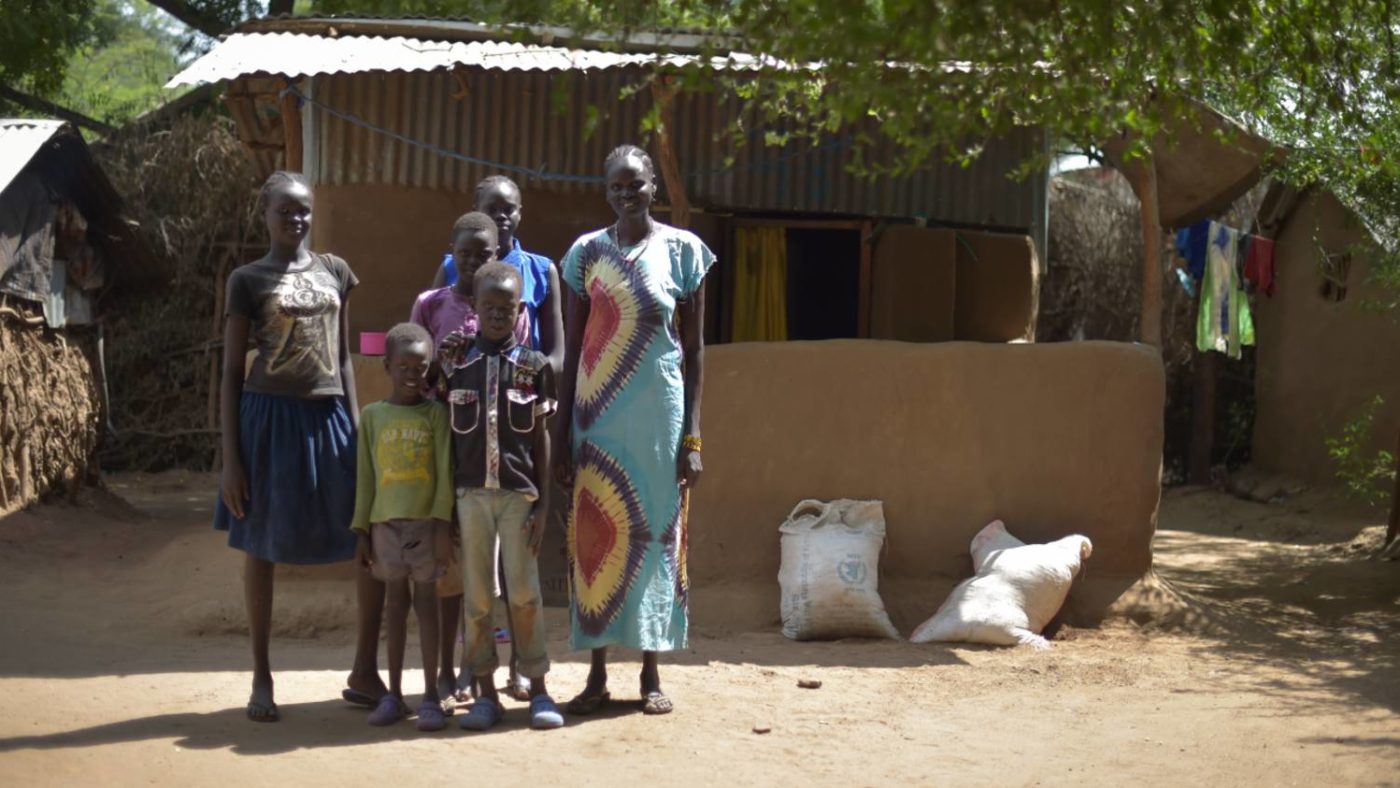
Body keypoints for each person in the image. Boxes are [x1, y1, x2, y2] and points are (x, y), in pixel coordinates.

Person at [554, 145, 712, 716]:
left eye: (636, 184)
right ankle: (596, 674)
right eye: (616, 186)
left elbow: (694, 352)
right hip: (594, 420)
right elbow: (572, 353)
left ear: (654, 187)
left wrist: (692, 438)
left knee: (656, 539)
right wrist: (560, 435)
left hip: (658, 422)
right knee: (596, 535)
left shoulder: (685, 252)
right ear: (606, 192)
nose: (627, 194)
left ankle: (650, 672)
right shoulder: (584, 255)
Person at [215, 171, 362, 722]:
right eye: (285, 211)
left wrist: (353, 430)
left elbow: (344, 358)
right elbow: (231, 372)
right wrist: (232, 460)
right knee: (261, 546)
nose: (296, 219)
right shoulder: (247, 280)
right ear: (265, 214)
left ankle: (366, 667)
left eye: (303, 210)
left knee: (365, 530)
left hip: (327, 416)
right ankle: (261, 674)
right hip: (268, 421)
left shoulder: (335, 272)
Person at [412, 212, 531, 705]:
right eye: (464, 253)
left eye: (483, 254)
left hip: (498, 449)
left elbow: (522, 376)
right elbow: (421, 374)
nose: (473, 260)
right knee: (452, 562)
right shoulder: (431, 303)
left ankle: (491, 668)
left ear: (497, 256)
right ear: (451, 252)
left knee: (497, 570)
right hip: (448, 443)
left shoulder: (512, 308)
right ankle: (449, 671)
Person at [442, 262, 563, 730]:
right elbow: (445, 435)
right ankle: (486, 693)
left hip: (519, 497)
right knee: (476, 599)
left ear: (519, 310)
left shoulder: (533, 367)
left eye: (506, 308)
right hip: (470, 496)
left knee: (525, 595)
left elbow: (542, 437)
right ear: (473, 307)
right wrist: (444, 504)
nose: (497, 315)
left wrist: (545, 504)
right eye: (488, 306)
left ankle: (538, 689)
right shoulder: (456, 363)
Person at [351, 322, 455, 731]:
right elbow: (365, 479)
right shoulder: (372, 417)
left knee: (426, 605)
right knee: (394, 609)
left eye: (421, 367)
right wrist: (361, 531)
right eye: (404, 367)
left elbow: (445, 475)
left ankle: (429, 695)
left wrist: (444, 526)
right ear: (387, 366)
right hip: (385, 528)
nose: (413, 375)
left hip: (427, 527)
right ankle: (393, 694)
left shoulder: (436, 415)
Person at [430, 176, 564, 371]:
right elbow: (430, 337)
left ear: (520, 213)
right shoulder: (451, 267)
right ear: (476, 211)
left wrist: (526, 377)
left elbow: (557, 356)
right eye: (492, 209)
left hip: (519, 389)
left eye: (509, 209)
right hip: (457, 387)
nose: (501, 216)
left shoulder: (541, 270)